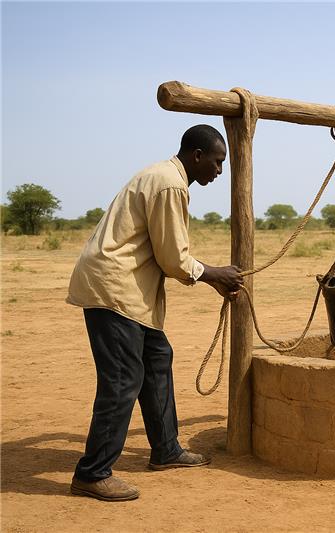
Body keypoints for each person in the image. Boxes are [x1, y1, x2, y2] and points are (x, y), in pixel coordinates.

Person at [66, 125, 243, 501]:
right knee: (123, 379)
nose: (219, 171)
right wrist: (214, 275)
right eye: (217, 162)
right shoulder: (170, 185)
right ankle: (92, 473)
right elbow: (173, 259)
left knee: (158, 358)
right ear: (197, 156)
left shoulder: (164, 177)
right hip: (115, 289)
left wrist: (213, 278)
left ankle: (166, 449)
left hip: (129, 292)